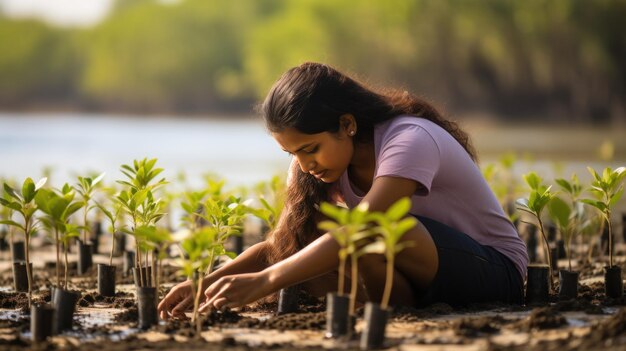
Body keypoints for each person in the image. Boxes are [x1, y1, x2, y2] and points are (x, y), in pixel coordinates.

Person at [157, 62, 528, 319]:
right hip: (420, 282)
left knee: (368, 230)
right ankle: (396, 310)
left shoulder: (409, 138)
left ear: (347, 124)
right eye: (292, 154)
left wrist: (265, 282)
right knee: (308, 237)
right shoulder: (314, 167)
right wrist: (205, 283)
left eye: (309, 149)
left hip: (494, 271)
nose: (303, 165)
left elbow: (364, 229)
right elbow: (280, 246)